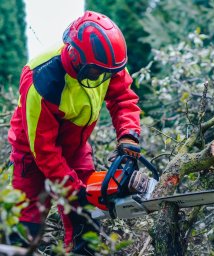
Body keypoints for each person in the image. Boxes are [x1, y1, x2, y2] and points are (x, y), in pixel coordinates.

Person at [8, 10, 141, 254]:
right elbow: (44, 150)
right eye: (95, 72)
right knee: (26, 225)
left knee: (86, 215)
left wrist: (128, 135)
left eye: (106, 72)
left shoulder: (104, 63)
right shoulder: (44, 79)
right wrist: (72, 189)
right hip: (32, 152)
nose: (101, 77)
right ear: (76, 56)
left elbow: (123, 97)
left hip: (76, 145)